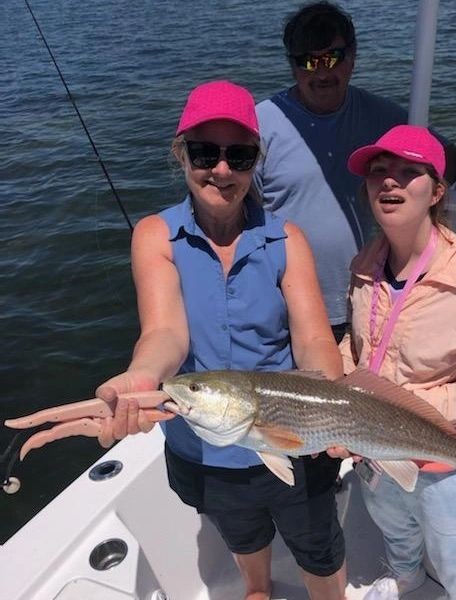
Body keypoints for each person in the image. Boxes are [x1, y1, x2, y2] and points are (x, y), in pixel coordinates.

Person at [94, 80, 346, 600]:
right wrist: (141, 378)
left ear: (257, 161)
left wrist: (336, 406)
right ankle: (257, 588)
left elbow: (314, 341)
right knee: (240, 530)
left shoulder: (286, 239)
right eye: (206, 153)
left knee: (316, 541)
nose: (222, 170)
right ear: (181, 154)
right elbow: (165, 332)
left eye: (240, 155)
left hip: (292, 432)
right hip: (204, 440)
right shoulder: (154, 235)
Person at [331, 125, 456, 599]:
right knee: (397, 537)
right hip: (378, 453)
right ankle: (408, 583)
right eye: (378, 172)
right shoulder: (365, 263)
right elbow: (356, 346)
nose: (390, 182)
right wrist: (341, 394)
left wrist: (408, 405)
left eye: (408, 172)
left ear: (437, 190)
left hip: (449, 465)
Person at [254, 1, 456, 343]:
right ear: (292, 67)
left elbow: (445, 156)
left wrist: (425, 217)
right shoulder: (261, 125)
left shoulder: (382, 116)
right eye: (307, 61)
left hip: (367, 300)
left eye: (332, 57)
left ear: (353, 56)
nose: (321, 73)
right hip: (284, 305)